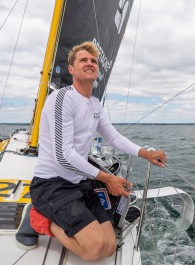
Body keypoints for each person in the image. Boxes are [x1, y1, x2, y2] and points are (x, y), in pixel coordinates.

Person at [15, 41, 166, 261]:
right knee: (94, 249)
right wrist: (108, 179)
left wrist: (146, 153)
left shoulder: (95, 104)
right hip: (52, 185)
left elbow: (113, 136)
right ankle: (39, 218)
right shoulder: (62, 99)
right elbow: (64, 156)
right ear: (71, 69)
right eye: (83, 60)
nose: (89, 63)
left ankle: (52, 215)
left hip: (80, 185)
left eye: (93, 61)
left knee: (109, 247)